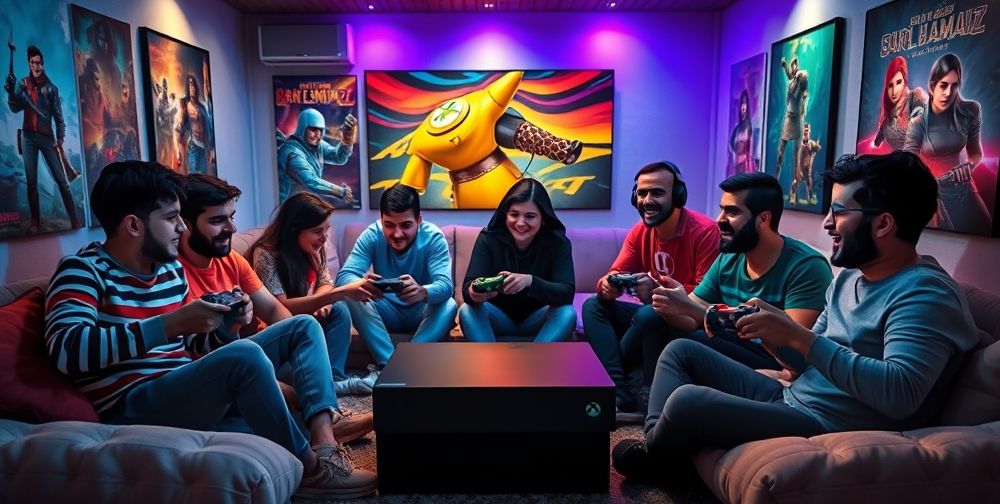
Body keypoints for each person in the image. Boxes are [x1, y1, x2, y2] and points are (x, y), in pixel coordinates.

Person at [611, 151, 978, 483]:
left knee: (688, 401)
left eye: (839, 213)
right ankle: (659, 445)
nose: (828, 225)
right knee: (680, 351)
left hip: (828, 420)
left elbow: (900, 393)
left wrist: (798, 336)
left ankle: (656, 451)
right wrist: (776, 337)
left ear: (883, 224)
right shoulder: (851, 276)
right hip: (795, 395)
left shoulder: (924, 293)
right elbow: (802, 366)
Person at [44, 161, 377, 499]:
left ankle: (324, 443)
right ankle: (311, 472)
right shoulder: (83, 270)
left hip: (185, 386)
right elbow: (68, 352)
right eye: (172, 218)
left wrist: (224, 329)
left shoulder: (168, 271)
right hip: (133, 404)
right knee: (245, 357)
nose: (180, 228)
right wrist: (170, 324)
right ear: (133, 225)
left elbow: (193, 346)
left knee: (301, 326)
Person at [620, 172, 831, 397]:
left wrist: (690, 308)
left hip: (771, 354)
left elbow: (792, 346)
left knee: (690, 343)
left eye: (731, 212)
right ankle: (642, 395)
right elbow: (689, 319)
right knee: (654, 319)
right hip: (734, 341)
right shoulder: (729, 258)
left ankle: (652, 403)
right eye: (721, 209)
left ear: (763, 219)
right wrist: (670, 304)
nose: (719, 219)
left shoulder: (807, 266)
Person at [582, 161, 720, 419]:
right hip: (651, 314)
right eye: (642, 193)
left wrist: (657, 288)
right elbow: (612, 274)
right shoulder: (639, 232)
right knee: (593, 305)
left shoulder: (705, 231)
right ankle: (619, 392)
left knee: (650, 313)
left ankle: (617, 384)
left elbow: (707, 294)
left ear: (678, 196)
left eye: (657, 192)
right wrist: (610, 285)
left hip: (687, 317)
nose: (647, 200)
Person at [248, 192, 381, 395]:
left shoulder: (314, 250)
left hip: (305, 325)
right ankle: (324, 382)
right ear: (294, 229)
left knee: (339, 309)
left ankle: (334, 378)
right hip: (278, 335)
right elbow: (278, 308)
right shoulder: (266, 254)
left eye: (326, 229)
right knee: (292, 376)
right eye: (317, 231)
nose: (324, 237)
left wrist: (325, 302)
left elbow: (325, 281)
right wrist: (331, 296)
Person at [336, 184, 457, 381]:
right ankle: (390, 365)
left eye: (406, 225)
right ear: (381, 220)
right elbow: (344, 278)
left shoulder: (433, 237)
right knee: (350, 295)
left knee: (449, 304)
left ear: (419, 220)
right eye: (389, 225)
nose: (397, 233)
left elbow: (445, 285)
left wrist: (423, 291)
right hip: (386, 309)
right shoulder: (372, 234)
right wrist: (361, 283)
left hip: (421, 311)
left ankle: (407, 361)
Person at [458, 178, 577, 342]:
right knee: (467, 310)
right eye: (514, 214)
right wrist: (476, 293)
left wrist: (530, 281)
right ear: (505, 214)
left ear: (543, 219)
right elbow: (468, 290)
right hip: (497, 318)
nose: (520, 223)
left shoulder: (558, 243)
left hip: (537, 319)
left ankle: (531, 363)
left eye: (530, 216)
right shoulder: (488, 238)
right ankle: (489, 363)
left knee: (567, 313)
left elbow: (567, 293)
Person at [904, 53, 991, 235]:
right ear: (933, 85)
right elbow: (906, 164)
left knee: (986, 228)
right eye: (943, 85)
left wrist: (967, 167)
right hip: (934, 195)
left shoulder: (971, 111)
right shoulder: (918, 123)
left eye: (954, 85)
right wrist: (928, 184)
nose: (948, 93)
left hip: (965, 188)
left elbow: (976, 153)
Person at [5, 45, 81, 232]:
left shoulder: (51, 89)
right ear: (29, 64)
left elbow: (59, 117)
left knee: (61, 180)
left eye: (38, 62)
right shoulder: (23, 84)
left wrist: (61, 139)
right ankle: (35, 221)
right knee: (31, 181)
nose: (35, 66)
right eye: (32, 62)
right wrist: (10, 93)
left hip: (48, 139)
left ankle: (75, 220)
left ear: (43, 64)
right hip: (28, 137)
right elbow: (15, 107)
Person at [278, 107, 357, 206]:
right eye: (313, 129)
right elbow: (311, 181)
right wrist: (341, 192)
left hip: (305, 205)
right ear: (303, 128)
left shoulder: (317, 145)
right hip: (288, 208)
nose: (318, 135)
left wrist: (347, 139)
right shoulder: (292, 152)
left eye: (321, 130)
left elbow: (339, 158)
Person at [873, 55, 926, 151]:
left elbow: (920, 118)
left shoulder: (916, 95)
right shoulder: (886, 113)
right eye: (890, 85)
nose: (894, 91)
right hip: (898, 162)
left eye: (898, 82)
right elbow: (877, 141)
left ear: (904, 81)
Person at [774, 56, 808, 181]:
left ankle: (795, 177)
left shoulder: (799, 79)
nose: (794, 68)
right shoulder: (793, 80)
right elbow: (790, 75)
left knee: (796, 152)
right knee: (782, 149)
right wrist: (784, 66)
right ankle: (777, 175)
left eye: (795, 66)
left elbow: (803, 92)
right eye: (793, 66)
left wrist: (804, 105)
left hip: (796, 117)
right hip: (791, 117)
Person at [175, 74, 214, 174]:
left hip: (203, 147)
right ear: (188, 88)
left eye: (194, 85)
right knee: (193, 179)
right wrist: (179, 151)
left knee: (204, 179)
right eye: (190, 85)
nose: (192, 88)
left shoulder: (201, 107)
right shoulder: (186, 108)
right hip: (193, 146)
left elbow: (209, 128)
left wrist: (212, 148)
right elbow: (179, 129)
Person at [789, 122, 822, 206]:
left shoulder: (811, 143)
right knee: (795, 183)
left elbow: (818, 148)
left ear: (809, 131)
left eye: (807, 130)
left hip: (808, 169)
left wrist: (817, 145)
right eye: (804, 130)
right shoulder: (799, 143)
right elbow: (795, 155)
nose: (805, 132)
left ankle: (810, 199)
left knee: (809, 184)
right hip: (800, 168)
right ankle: (793, 197)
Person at [727, 89, 757, 177]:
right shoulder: (738, 127)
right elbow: (732, 144)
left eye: (745, 103)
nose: (743, 107)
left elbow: (750, 152)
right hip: (737, 166)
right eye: (742, 104)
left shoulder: (749, 127)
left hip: (745, 167)